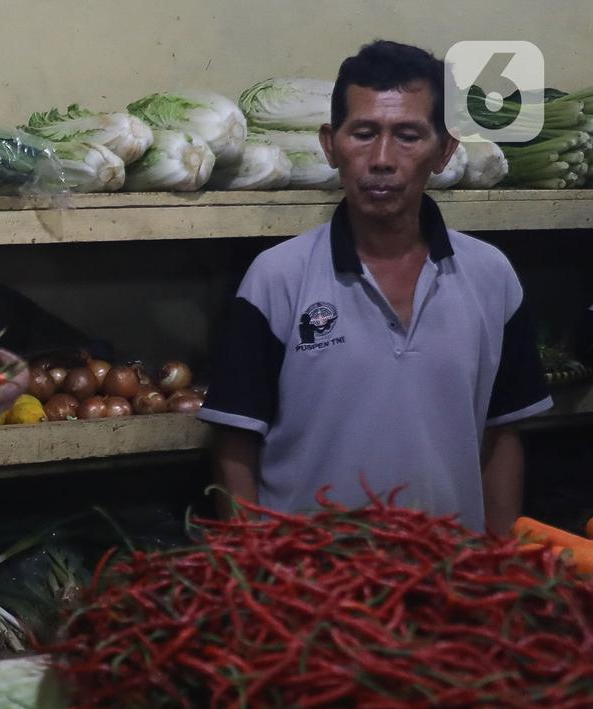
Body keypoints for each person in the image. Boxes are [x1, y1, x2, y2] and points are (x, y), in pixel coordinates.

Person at [197, 40, 551, 536]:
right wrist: (256, 574)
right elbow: (236, 450)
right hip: (307, 591)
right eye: (363, 133)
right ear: (330, 143)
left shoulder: (492, 277)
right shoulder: (276, 278)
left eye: (408, 135)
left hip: (451, 587)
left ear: (445, 150)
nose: (382, 158)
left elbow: (501, 433)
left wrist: (497, 563)